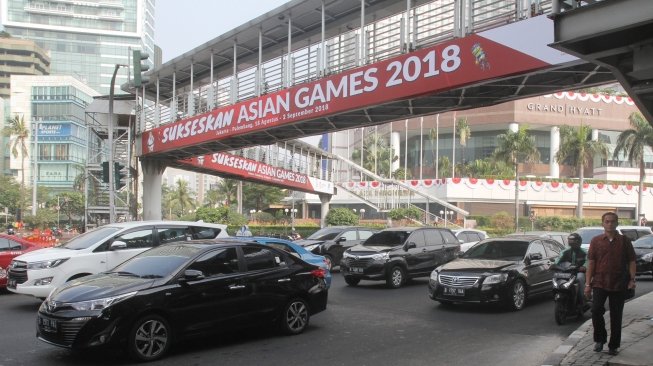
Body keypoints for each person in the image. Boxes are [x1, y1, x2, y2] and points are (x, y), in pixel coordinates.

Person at [584, 212, 636, 356]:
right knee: (595, 310)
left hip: (619, 283)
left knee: (616, 315)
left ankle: (613, 345)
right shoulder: (596, 241)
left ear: (617, 223)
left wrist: (632, 280)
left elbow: (632, 260)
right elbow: (591, 263)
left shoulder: (624, 241)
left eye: (613, 221)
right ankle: (600, 339)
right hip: (599, 282)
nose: (610, 224)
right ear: (603, 223)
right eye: (607, 221)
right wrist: (588, 284)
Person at [555, 233, 588, 309]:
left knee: (580, 279)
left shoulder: (585, 252)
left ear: (579, 242)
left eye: (574, 241)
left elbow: (588, 262)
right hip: (567, 272)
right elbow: (557, 260)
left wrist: (584, 267)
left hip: (579, 272)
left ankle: (583, 299)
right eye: (571, 241)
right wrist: (554, 265)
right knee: (557, 278)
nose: (572, 243)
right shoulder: (564, 252)